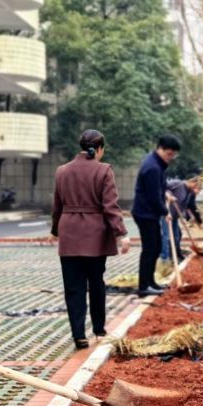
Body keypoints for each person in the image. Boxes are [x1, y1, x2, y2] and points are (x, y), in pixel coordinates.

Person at [52, 129, 130, 349]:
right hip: (95, 236)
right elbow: (110, 207)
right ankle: (99, 330)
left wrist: (55, 230)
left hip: (69, 235)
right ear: (100, 148)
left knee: (73, 287)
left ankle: (79, 335)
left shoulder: (62, 171)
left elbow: (57, 206)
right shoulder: (104, 170)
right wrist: (121, 233)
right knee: (96, 283)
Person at [131, 135, 180, 297]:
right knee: (150, 249)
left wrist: (165, 194)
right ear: (161, 149)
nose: (171, 158)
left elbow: (158, 188)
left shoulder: (156, 163)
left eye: (173, 155)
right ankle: (143, 286)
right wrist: (165, 212)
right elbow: (153, 197)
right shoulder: (152, 167)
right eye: (170, 154)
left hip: (149, 212)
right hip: (145, 213)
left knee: (156, 247)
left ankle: (150, 282)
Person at [162, 177, 202, 264]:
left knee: (177, 235)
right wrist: (168, 195)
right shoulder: (178, 183)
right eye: (196, 188)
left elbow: (186, 206)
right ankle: (164, 259)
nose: (196, 191)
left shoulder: (188, 191)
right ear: (193, 183)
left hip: (175, 216)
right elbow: (162, 187)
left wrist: (185, 217)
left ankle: (175, 255)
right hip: (166, 214)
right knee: (166, 236)